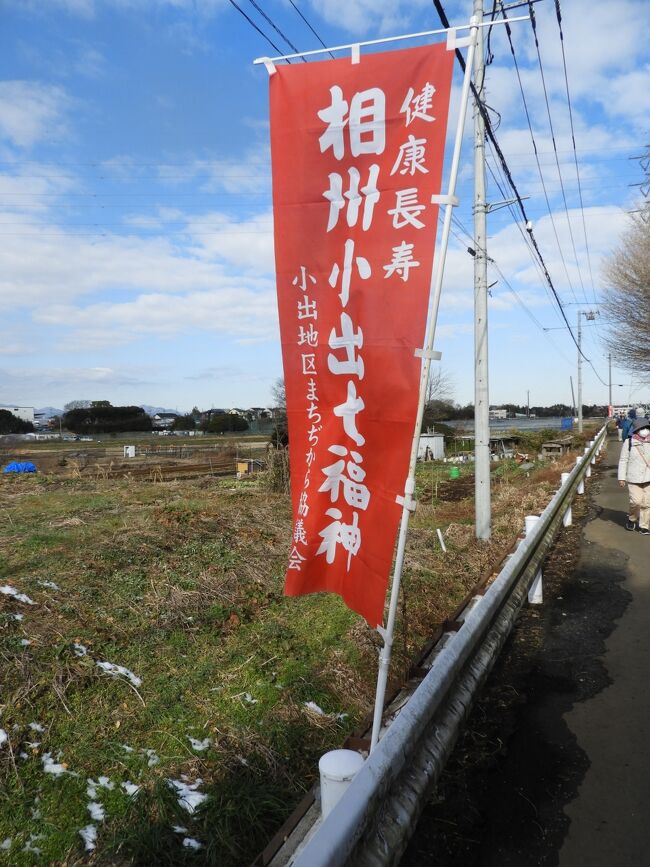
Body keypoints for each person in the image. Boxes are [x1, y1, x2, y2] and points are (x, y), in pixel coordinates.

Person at [618, 417, 650, 534]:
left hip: (648, 477)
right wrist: (621, 477)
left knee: (647, 503)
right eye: (642, 428)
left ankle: (644, 526)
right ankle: (632, 519)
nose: (645, 430)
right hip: (634, 477)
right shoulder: (629, 442)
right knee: (636, 502)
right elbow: (623, 460)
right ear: (636, 430)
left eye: (647, 428)